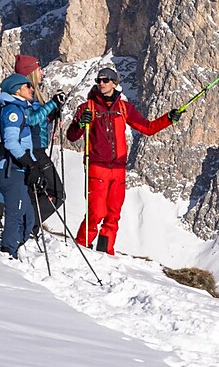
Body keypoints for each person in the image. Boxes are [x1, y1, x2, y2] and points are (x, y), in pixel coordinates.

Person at [65, 65, 181, 255]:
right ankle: (81, 247)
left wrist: (168, 118)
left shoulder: (124, 108)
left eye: (105, 80)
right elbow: (72, 136)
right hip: (96, 166)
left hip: (118, 168)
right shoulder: (88, 107)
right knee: (96, 211)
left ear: (114, 83)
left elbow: (148, 128)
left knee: (113, 213)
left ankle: (106, 251)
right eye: (99, 80)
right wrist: (80, 123)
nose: (101, 83)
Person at [0, 74, 46, 259]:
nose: (32, 89)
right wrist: (30, 164)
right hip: (11, 170)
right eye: (28, 86)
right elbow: (11, 142)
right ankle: (8, 252)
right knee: (15, 216)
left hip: (17, 170)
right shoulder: (12, 111)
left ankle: (16, 249)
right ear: (17, 90)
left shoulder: (20, 109)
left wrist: (33, 167)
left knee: (28, 218)